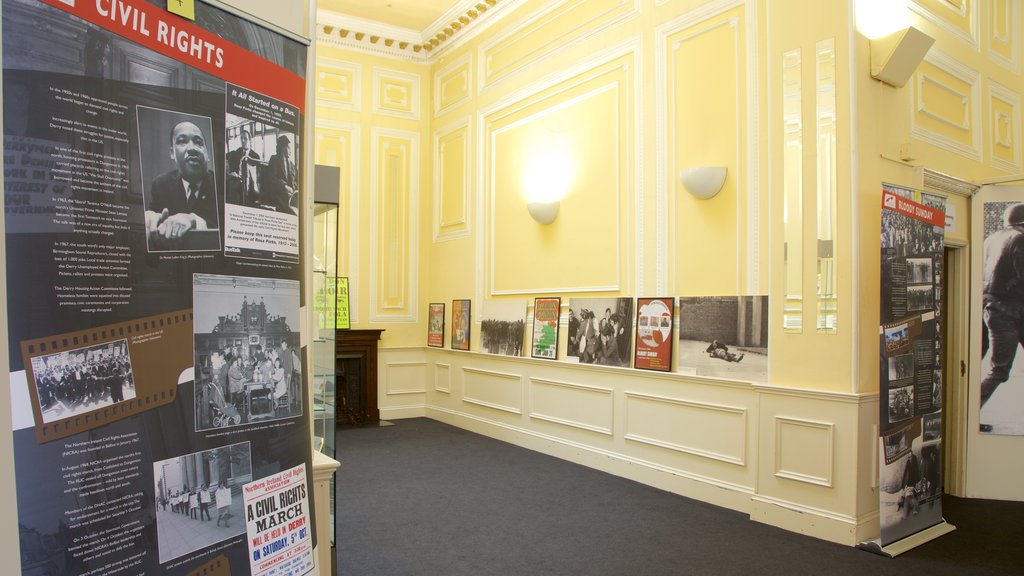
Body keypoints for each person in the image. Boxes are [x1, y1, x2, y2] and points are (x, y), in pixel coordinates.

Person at [979, 203, 1024, 433]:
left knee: (987, 363)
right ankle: (967, 412)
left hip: (990, 308)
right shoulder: (1019, 239)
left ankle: (966, 411)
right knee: (999, 371)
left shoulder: (991, 238)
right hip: (1008, 312)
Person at [144, 120, 219, 248]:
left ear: (207, 154)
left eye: (199, 143)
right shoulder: (161, 185)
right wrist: (150, 219)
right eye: (182, 141)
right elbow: (153, 260)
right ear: (172, 153)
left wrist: (193, 220)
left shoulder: (224, 186)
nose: (192, 148)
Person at [263, 134, 298, 213]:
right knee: (290, 210)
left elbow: (295, 181)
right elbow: (272, 179)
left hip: (290, 195)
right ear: (282, 148)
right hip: (277, 194)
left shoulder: (291, 164)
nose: (290, 151)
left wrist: (295, 189)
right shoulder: (274, 159)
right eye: (288, 148)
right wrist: (285, 186)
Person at [226, 128, 261, 205]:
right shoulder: (237, 153)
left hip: (250, 185)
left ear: (250, 140)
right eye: (241, 138)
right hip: (237, 181)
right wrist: (233, 173)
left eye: (245, 138)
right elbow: (232, 166)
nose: (243, 140)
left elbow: (257, 176)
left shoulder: (255, 156)